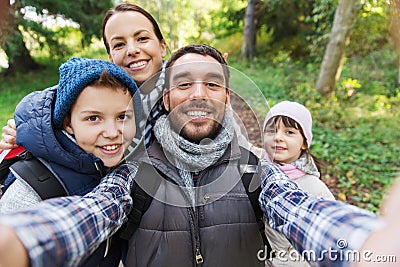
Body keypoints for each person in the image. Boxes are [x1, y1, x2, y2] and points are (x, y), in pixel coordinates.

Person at [0, 44, 393, 267]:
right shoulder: (133, 169)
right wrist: (20, 239)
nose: (199, 94)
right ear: (167, 97)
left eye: (212, 84)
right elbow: (92, 212)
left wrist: (367, 243)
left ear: (227, 98)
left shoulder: (254, 168)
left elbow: (301, 211)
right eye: (184, 83)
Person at [261, 101, 335, 266]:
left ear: (304, 142)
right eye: (271, 130)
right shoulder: (258, 169)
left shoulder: (315, 191)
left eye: (289, 132)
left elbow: (322, 247)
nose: (278, 137)